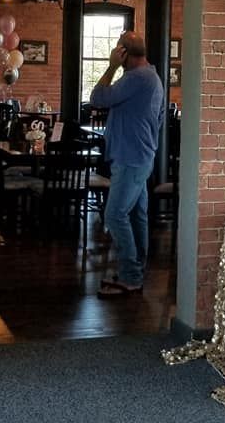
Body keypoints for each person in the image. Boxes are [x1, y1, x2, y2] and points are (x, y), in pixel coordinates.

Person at [89, 32, 165, 298]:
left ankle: (131, 276)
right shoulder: (152, 77)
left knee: (115, 215)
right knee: (136, 215)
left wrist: (110, 66)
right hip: (141, 155)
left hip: (131, 158)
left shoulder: (136, 78)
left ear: (123, 53)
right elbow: (158, 120)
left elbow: (97, 98)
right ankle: (136, 272)